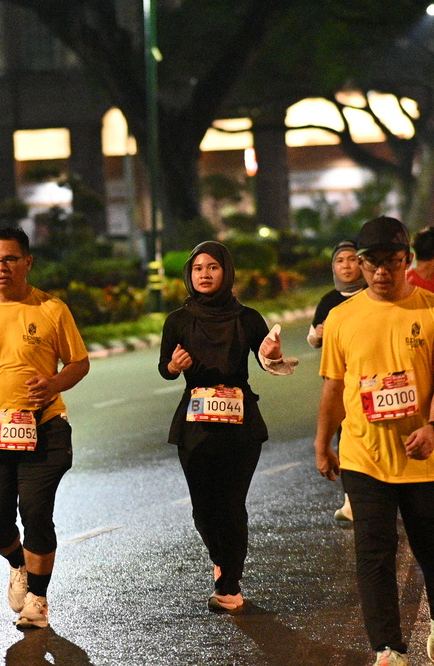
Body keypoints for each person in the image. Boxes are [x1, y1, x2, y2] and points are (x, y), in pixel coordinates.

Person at [314, 216, 434, 666]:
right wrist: (323, 443)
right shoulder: (341, 318)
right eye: (372, 263)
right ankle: (388, 649)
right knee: (374, 554)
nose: (381, 272)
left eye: (392, 262)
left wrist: (433, 428)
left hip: (423, 455)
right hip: (364, 455)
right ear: (360, 264)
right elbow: (333, 387)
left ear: (406, 260)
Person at [0, 227, 90, 628]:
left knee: (36, 513)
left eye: (10, 259)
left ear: (27, 262)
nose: (1, 268)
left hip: (45, 427)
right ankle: (18, 563)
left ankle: (38, 600)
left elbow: (79, 362)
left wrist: (54, 383)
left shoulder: (51, 309)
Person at [159, 241, 298, 613]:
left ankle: (229, 583)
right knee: (203, 510)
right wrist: (173, 366)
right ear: (189, 275)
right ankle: (222, 560)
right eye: (198, 268)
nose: (204, 274)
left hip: (240, 425)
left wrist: (272, 355)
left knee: (232, 505)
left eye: (213, 267)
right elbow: (164, 369)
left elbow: (269, 361)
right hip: (195, 427)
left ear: (226, 272)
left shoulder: (247, 318)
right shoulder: (177, 321)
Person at [308, 240, 366, 522]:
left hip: (370, 378)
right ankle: (351, 500)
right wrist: (318, 334)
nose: (346, 266)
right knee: (346, 436)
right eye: (340, 261)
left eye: (352, 259)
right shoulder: (329, 301)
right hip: (339, 381)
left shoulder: (372, 294)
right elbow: (312, 337)